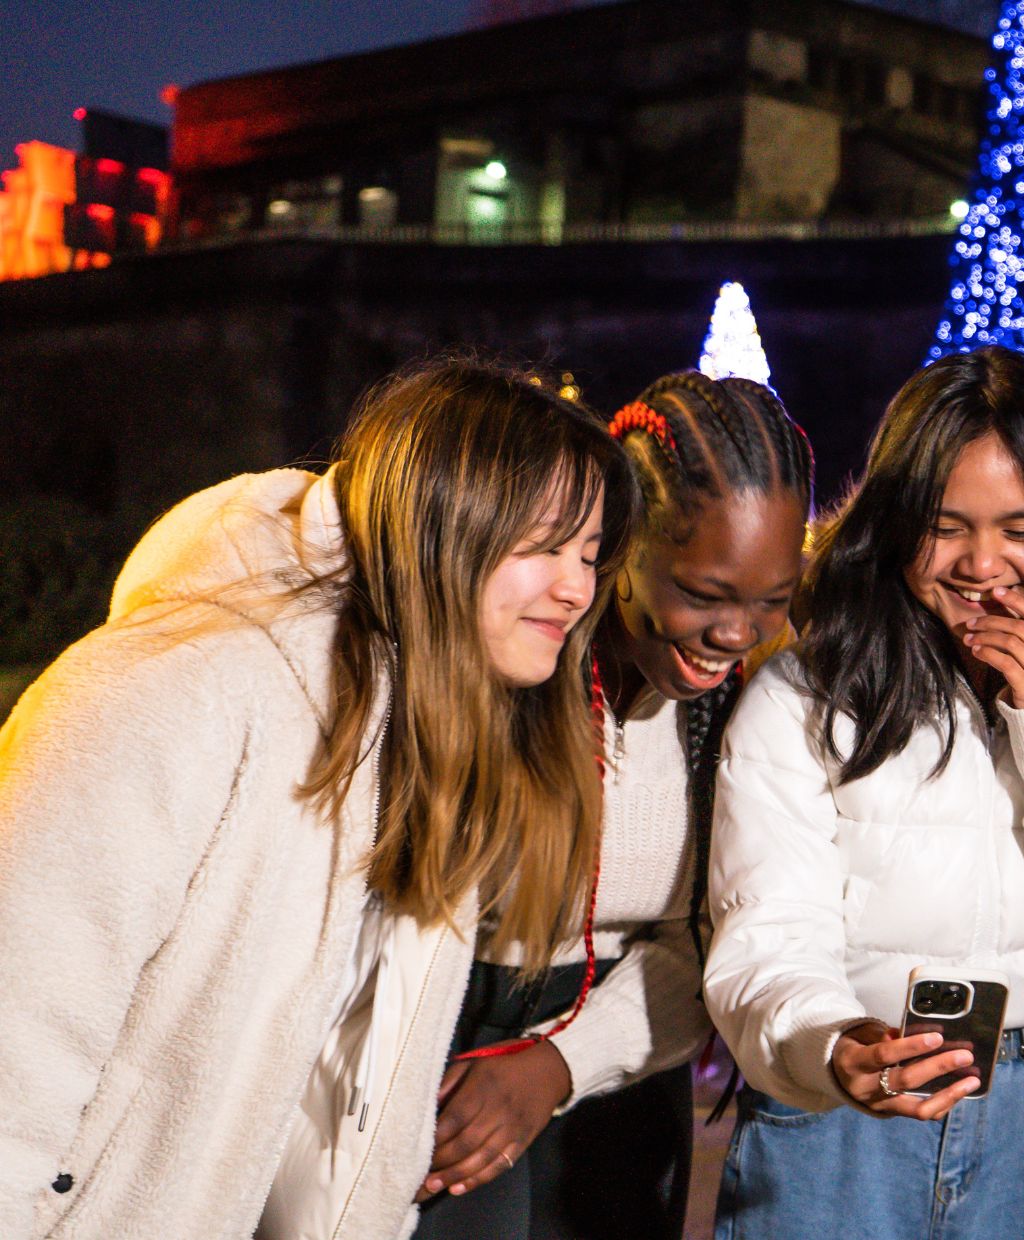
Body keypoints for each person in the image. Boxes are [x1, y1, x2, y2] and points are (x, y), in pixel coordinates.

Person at [0, 359, 637, 1239]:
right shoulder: (177, 693)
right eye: (542, 547)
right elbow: (20, 1037)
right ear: (440, 525)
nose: (576, 589)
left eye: (590, 555)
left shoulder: (437, 745)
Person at [704, 345, 1024, 1240]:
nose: (983, 564)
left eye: (1020, 528)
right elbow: (764, 939)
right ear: (897, 521)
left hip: (1023, 1114)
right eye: (948, 525)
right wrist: (832, 1045)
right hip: (833, 1124)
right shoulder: (802, 696)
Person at [412, 370, 813, 1240]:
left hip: (626, 1076)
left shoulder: (743, 711)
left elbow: (711, 943)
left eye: (770, 600)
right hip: (444, 1063)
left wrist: (559, 1065)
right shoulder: (512, 667)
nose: (738, 634)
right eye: (703, 595)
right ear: (619, 548)